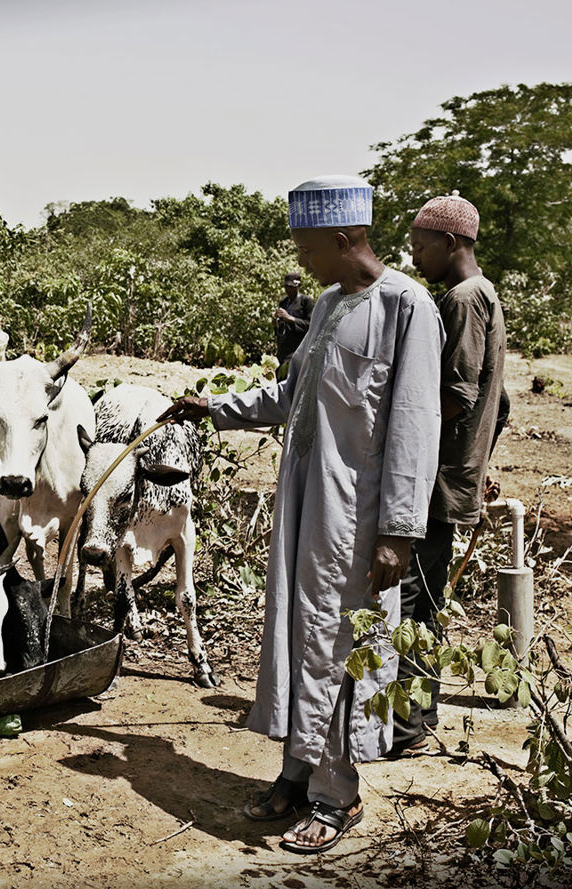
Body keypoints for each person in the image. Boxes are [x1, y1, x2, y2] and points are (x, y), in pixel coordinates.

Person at [160, 174, 443, 854]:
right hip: (303, 507)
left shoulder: (407, 307)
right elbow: (292, 392)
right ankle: (295, 770)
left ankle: (334, 795)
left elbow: (414, 426)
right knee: (298, 637)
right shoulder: (326, 304)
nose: (302, 261)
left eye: (308, 248)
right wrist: (216, 409)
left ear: (346, 239)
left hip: (357, 520)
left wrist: (397, 534)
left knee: (340, 648)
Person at [389, 193, 508, 757]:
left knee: (410, 598)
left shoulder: (460, 299)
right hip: (456, 477)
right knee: (429, 599)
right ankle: (420, 717)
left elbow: (456, 397)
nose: (414, 257)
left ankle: (406, 729)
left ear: (451, 243)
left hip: (435, 483)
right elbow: (499, 402)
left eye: (420, 245)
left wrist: (399, 440)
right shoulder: (486, 295)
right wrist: (479, 461)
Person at [273, 272, 314, 365]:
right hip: (283, 350)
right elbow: (279, 330)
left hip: (299, 350)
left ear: (298, 286)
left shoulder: (306, 302)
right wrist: (277, 324)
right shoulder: (284, 302)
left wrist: (290, 318)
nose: (288, 290)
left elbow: (311, 325)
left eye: (291, 287)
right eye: (286, 287)